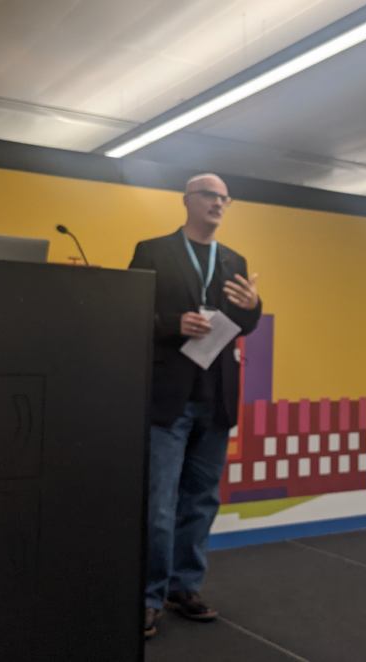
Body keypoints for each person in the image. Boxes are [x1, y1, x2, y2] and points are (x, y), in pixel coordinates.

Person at [129, 174, 262, 639]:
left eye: (225, 198)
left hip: (216, 397)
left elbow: (243, 323)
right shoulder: (152, 251)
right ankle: (147, 596)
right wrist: (171, 322)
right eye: (211, 195)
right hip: (168, 397)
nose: (219, 203)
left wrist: (255, 306)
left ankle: (184, 587)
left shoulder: (234, 259)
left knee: (201, 501)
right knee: (159, 505)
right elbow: (130, 312)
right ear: (188, 199)